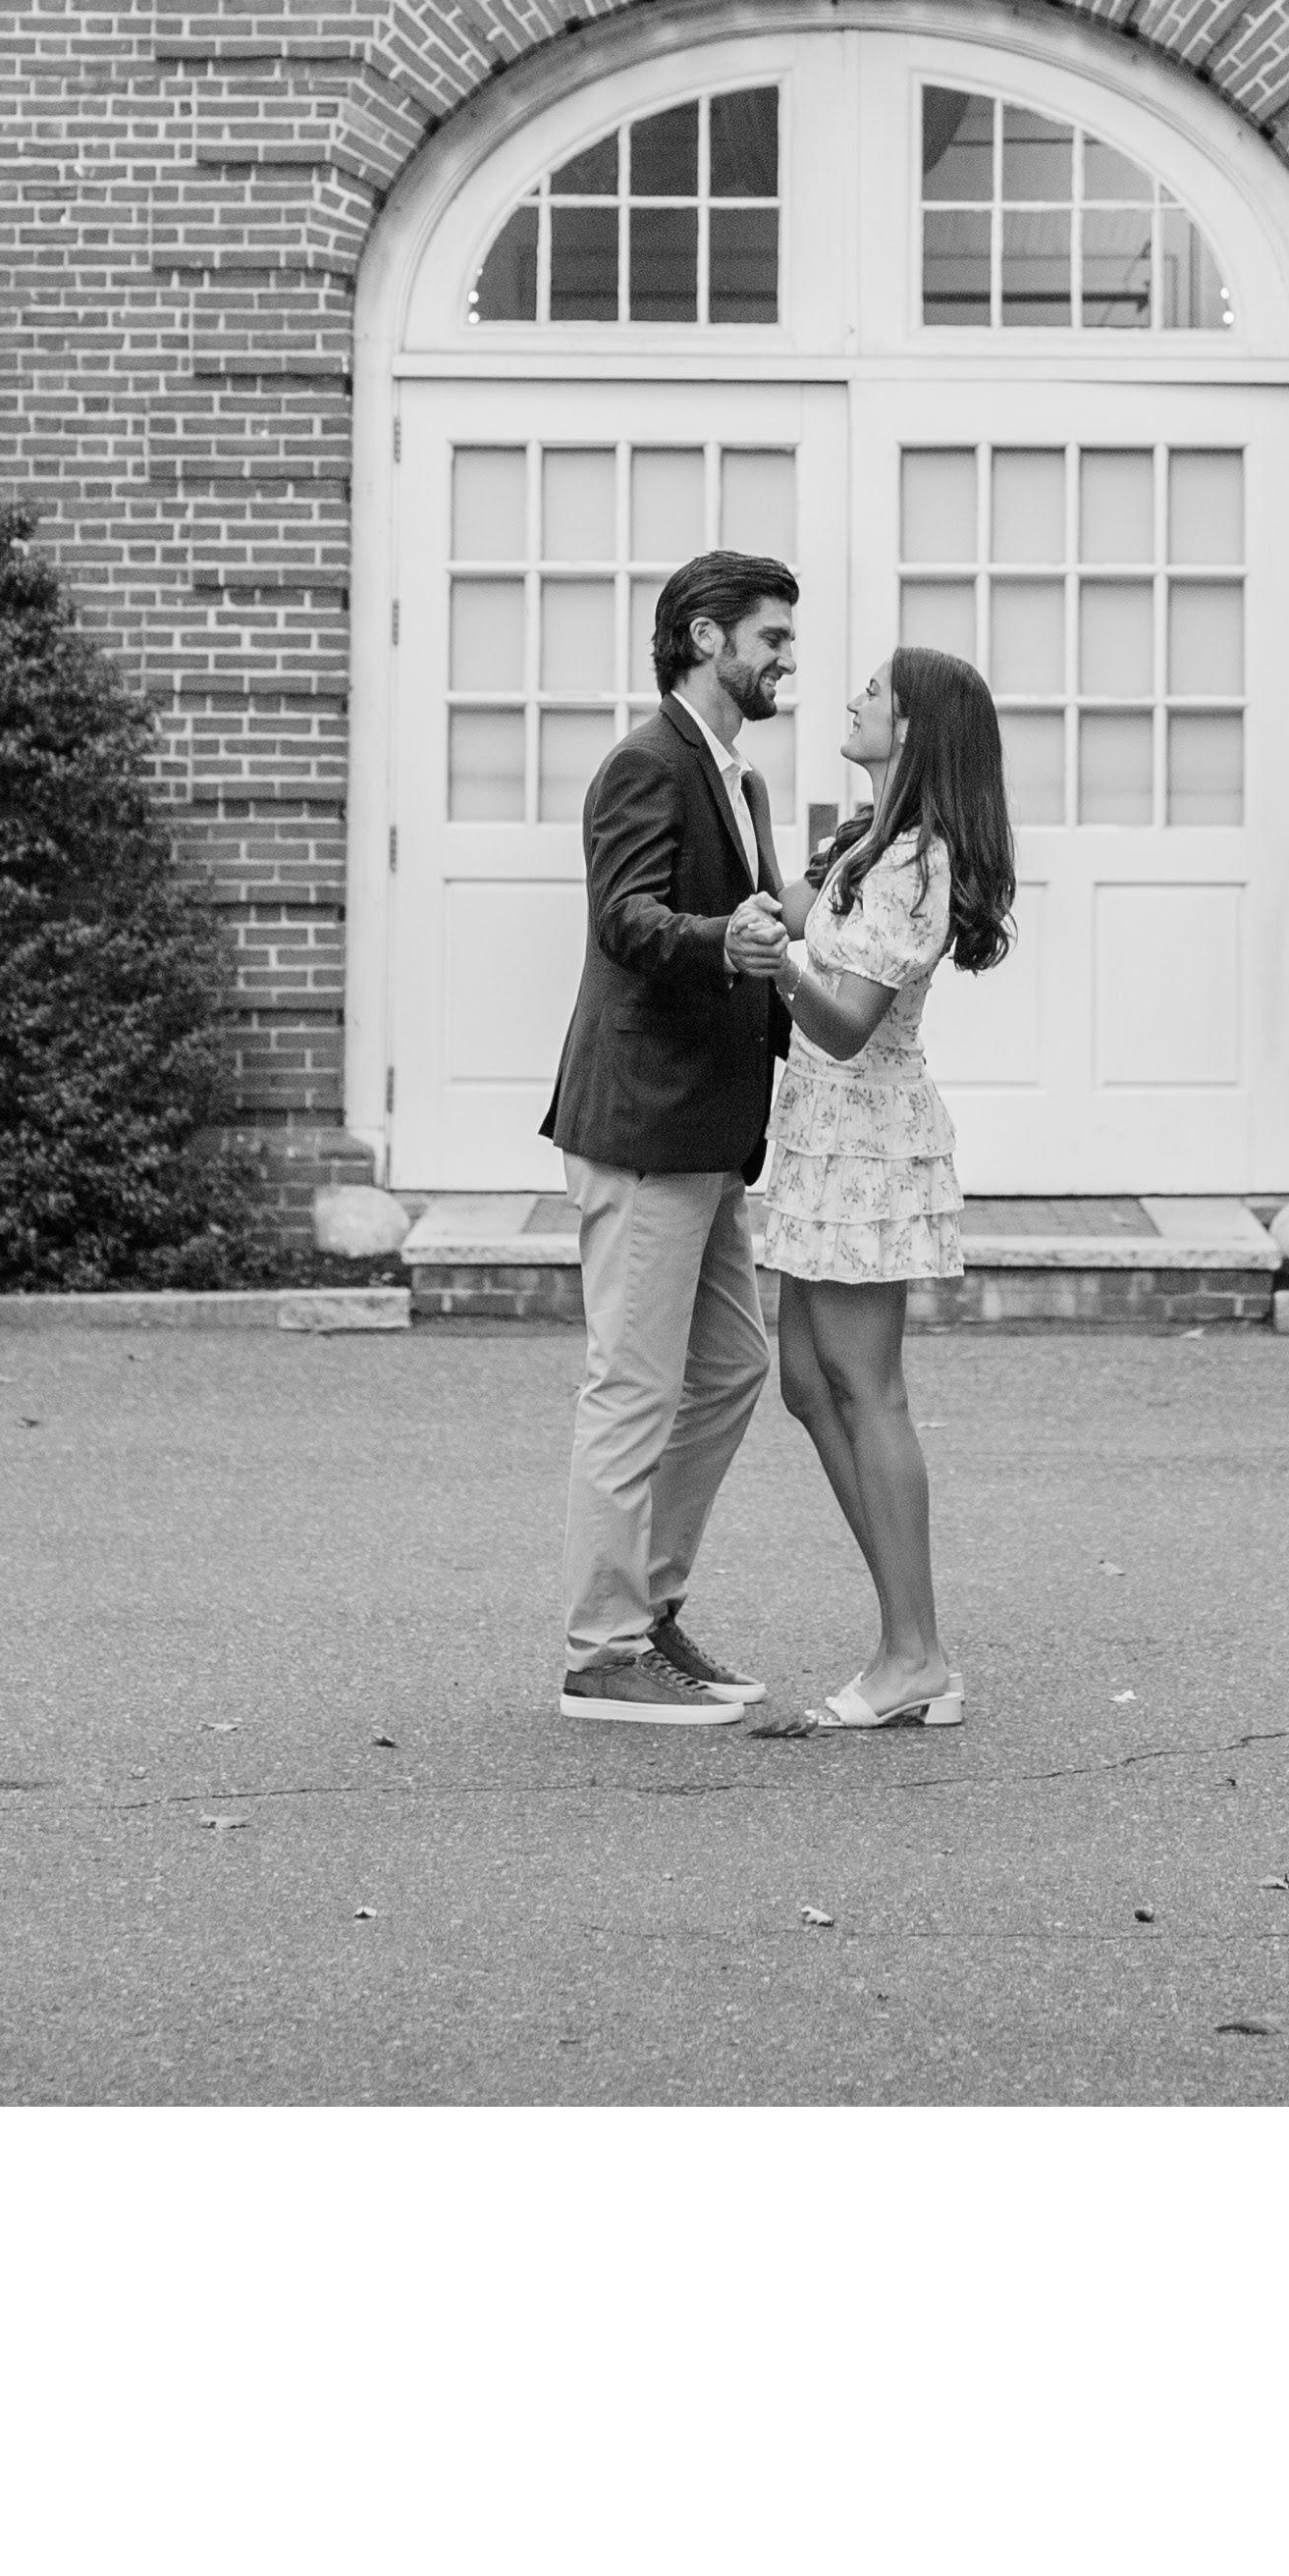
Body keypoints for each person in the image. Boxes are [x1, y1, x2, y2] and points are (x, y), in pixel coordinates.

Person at [537, 544, 804, 1725]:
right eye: (771, 638)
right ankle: (601, 1650)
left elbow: (764, 920)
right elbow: (627, 919)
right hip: (646, 1124)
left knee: (734, 1366)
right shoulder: (645, 763)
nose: (787, 659)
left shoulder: (741, 781)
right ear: (707, 638)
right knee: (633, 1388)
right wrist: (721, 941)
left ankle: (646, 1609)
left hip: (710, 1131)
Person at [749, 646, 1013, 1732]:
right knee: (808, 1385)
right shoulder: (870, 842)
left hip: (867, 1143)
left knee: (867, 1388)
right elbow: (785, 902)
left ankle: (914, 1654)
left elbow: (848, 1025)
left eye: (874, 692)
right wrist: (746, 800)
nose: (853, 700)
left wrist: (779, 969)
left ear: (912, 730)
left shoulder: (917, 866)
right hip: (819, 1137)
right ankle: (912, 1637)